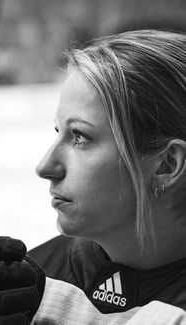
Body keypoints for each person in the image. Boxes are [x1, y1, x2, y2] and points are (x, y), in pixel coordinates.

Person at [27, 29, 186, 324]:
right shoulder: (29, 277)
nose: (45, 166)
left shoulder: (38, 293)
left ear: (166, 165)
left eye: (80, 136)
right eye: (58, 131)